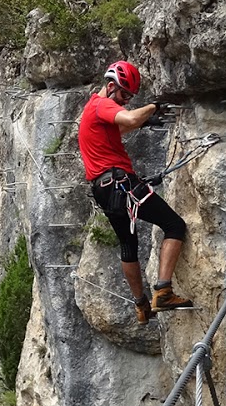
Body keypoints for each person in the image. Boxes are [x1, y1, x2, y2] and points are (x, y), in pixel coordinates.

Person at [78, 60, 192, 324]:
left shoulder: (92, 110)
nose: (126, 101)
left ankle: (141, 305)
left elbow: (121, 127)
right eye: (124, 94)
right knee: (174, 225)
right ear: (110, 87)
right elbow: (128, 117)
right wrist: (155, 106)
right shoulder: (102, 103)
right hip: (121, 183)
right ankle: (163, 291)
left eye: (130, 97)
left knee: (128, 245)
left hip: (103, 190)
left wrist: (145, 121)